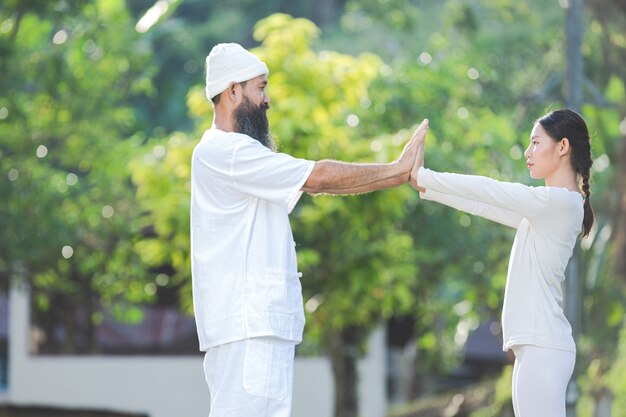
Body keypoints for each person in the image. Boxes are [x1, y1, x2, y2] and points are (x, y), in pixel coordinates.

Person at [190, 42, 428, 417]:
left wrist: (393, 174)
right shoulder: (228, 152)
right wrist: (395, 170)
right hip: (250, 328)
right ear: (233, 91)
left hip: (253, 328)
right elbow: (317, 177)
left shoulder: (232, 155)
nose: (267, 99)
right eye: (261, 87)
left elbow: (315, 181)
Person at [410, 109, 594, 417]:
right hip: (535, 346)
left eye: (536, 143)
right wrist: (427, 187)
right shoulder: (548, 209)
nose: (528, 152)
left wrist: (426, 176)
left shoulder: (559, 203)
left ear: (562, 147)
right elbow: (485, 204)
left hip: (543, 346)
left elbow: (493, 190)